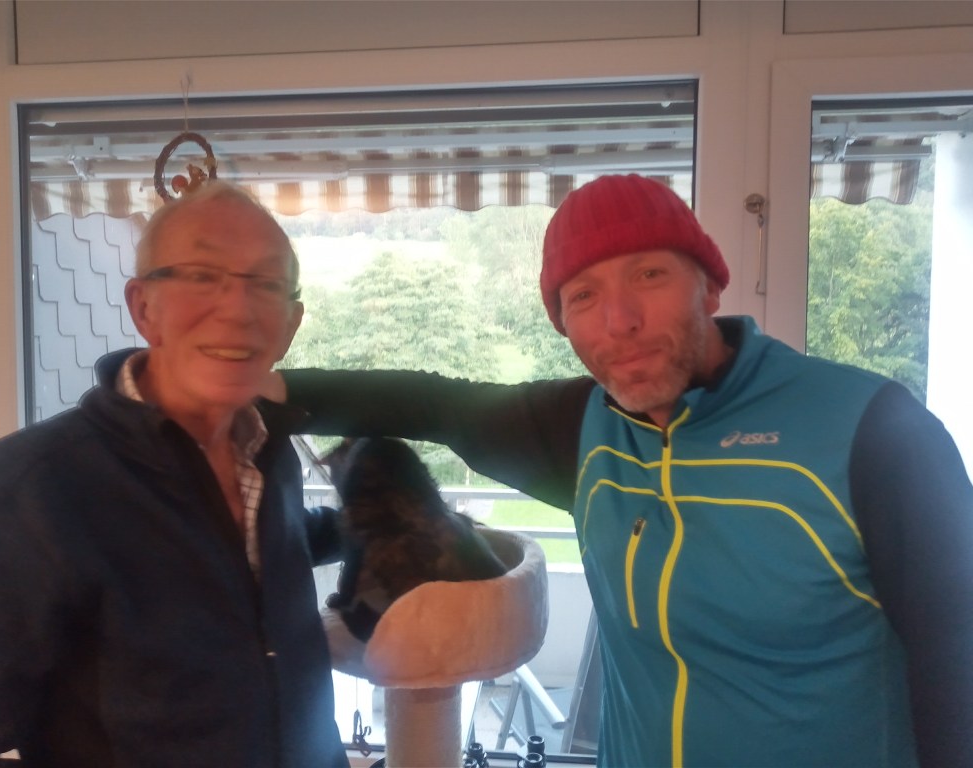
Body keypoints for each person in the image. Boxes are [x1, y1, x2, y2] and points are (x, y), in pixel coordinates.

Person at [267, 174, 973, 767]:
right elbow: (434, 405)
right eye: (583, 296)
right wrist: (254, 392)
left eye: (649, 274)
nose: (620, 320)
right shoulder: (585, 429)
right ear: (563, 323)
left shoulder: (874, 433)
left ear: (710, 287)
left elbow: (960, 672)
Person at [0, 182, 349, 767]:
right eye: (202, 275)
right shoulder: (28, 490)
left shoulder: (272, 454)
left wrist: (385, 525)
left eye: (265, 283)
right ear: (143, 308)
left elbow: (244, 556)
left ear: (291, 322)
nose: (237, 309)